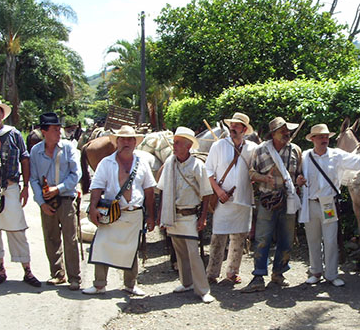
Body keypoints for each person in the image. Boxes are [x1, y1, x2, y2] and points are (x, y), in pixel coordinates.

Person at [82, 125, 156, 296]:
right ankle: (99, 284)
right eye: (122, 139)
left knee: (131, 249)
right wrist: (93, 208)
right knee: (102, 245)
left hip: (134, 213)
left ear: (135, 142)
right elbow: (97, 187)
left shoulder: (142, 162)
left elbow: (149, 191)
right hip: (113, 213)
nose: (126, 142)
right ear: (117, 141)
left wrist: (151, 216)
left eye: (130, 139)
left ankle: (130, 284)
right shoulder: (106, 163)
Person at [242, 117, 305, 293]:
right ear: (273, 134)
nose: (287, 133)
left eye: (288, 130)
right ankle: (258, 276)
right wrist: (264, 178)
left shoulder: (296, 150)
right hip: (267, 200)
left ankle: (278, 273)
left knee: (286, 240)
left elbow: (299, 174)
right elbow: (251, 173)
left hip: (289, 200)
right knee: (262, 239)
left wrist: (300, 180)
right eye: (283, 131)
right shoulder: (261, 150)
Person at [0, 97, 40, 287]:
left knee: (17, 228)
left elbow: (25, 159)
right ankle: (0, 270)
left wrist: (25, 187)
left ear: (2, 114)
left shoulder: (13, 134)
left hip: (10, 187)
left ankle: (27, 270)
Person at [158, 126, 215, 303]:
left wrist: (203, 217)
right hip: (172, 216)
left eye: (177, 143)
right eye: (174, 143)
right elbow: (161, 190)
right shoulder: (169, 164)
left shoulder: (197, 166)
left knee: (193, 254)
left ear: (188, 146)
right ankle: (186, 282)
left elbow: (206, 193)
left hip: (190, 215)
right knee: (180, 251)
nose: (174, 146)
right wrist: (162, 215)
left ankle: (203, 289)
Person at [299, 124, 360, 287]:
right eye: (320, 137)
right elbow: (295, 173)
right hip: (311, 204)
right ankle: (316, 272)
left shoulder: (337, 155)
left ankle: (332, 274)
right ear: (312, 139)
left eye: (326, 137)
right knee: (313, 240)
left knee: (331, 239)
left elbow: (357, 162)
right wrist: (298, 180)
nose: (324, 139)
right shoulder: (305, 156)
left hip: (328, 205)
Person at [30, 112, 82, 290]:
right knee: (51, 237)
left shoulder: (68, 148)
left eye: (59, 128)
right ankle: (57, 274)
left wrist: (57, 189)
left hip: (66, 198)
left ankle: (75, 277)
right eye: (54, 129)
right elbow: (34, 179)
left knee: (70, 238)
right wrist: (41, 202)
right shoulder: (36, 152)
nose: (59, 131)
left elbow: (76, 174)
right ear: (44, 131)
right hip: (47, 201)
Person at [205, 112, 258, 285]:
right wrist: (218, 191)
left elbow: (256, 170)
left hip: (243, 199)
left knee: (239, 238)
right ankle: (212, 273)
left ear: (244, 129)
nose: (233, 128)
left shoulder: (252, 148)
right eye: (232, 125)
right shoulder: (219, 145)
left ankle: (232, 272)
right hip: (223, 199)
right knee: (218, 237)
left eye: (237, 125)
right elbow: (209, 171)